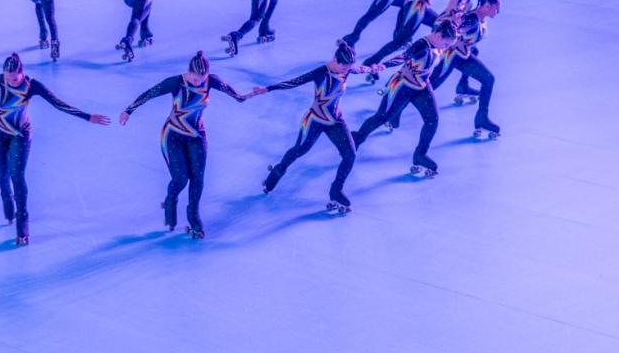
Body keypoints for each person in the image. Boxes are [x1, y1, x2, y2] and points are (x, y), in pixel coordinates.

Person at [0, 53, 110, 244]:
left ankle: (22, 227)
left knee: (17, 176)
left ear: (22, 73)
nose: (11, 82)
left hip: (21, 135)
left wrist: (87, 116)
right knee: (2, 175)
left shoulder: (32, 85)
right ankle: (7, 205)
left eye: (15, 79)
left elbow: (58, 103)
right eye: (8, 78)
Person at [119, 51, 247, 239]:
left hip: (197, 136)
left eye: (202, 78)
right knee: (180, 179)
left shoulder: (211, 81)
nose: (198, 82)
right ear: (189, 71)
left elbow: (234, 93)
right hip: (173, 136)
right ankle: (170, 201)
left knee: (198, 178)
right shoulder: (176, 82)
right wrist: (128, 111)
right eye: (195, 78)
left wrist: (246, 96)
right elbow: (150, 93)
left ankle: (193, 214)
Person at [248, 40, 376, 214]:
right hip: (314, 120)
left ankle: (336, 190)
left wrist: (372, 69)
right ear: (335, 60)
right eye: (345, 67)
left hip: (336, 121)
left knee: (350, 155)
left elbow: (358, 69)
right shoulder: (321, 73)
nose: (347, 71)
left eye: (348, 68)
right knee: (299, 150)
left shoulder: (346, 69)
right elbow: (295, 82)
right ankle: (277, 172)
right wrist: (268, 89)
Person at [352, 20, 458, 178]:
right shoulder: (421, 45)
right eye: (447, 43)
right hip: (403, 86)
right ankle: (355, 140)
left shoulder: (439, 43)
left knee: (432, 119)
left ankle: (420, 155)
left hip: (422, 86)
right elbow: (403, 57)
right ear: (438, 35)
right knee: (381, 117)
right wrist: (383, 65)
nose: (447, 47)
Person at [361, 0, 461, 77]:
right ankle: (371, 62)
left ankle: (431, 52)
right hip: (416, 8)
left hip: (419, 7)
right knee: (399, 41)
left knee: (441, 25)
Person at [433, 0, 502, 139]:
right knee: (429, 86)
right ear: (487, 6)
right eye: (496, 8)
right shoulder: (472, 20)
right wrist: (456, 26)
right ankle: (391, 114)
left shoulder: (478, 18)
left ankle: (481, 117)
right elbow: (452, 32)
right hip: (451, 57)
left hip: (461, 56)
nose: (498, 11)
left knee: (488, 78)